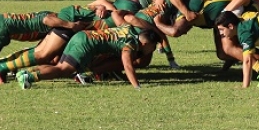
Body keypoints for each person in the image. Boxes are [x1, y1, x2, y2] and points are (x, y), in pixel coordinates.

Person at [15, 26, 158, 90]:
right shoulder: (131, 44)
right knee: (63, 70)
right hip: (86, 44)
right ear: (145, 43)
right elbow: (127, 65)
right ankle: (30, 77)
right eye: (153, 46)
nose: (152, 50)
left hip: (82, 36)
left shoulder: (130, 30)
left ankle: (26, 73)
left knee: (59, 66)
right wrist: (137, 86)